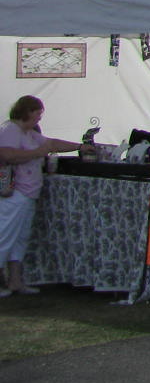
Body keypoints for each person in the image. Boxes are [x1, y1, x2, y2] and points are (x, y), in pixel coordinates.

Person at [0, 96, 91, 296]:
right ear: (27, 111)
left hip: (29, 193)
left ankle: (15, 281)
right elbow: (6, 155)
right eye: (38, 114)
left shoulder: (29, 133)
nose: (39, 119)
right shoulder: (10, 130)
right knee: (4, 237)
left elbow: (52, 143)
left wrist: (79, 146)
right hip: (14, 193)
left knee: (20, 239)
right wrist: (38, 153)